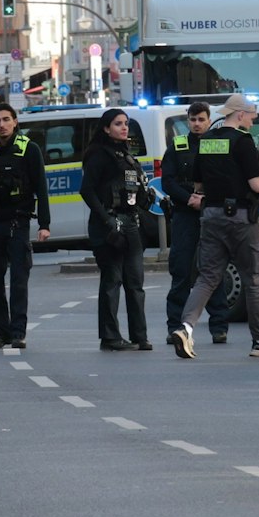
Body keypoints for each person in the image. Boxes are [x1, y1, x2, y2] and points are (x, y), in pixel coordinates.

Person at [169, 93, 259, 359]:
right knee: (255, 277)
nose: (254, 118)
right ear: (240, 114)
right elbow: (257, 185)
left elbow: (198, 184)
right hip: (240, 217)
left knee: (207, 277)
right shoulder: (243, 141)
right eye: (252, 114)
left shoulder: (207, 140)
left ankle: (186, 329)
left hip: (211, 214)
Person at [162, 102, 234, 348]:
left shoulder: (218, 143)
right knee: (181, 271)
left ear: (209, 119)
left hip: (211, 213)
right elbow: (168, 181)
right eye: (193, 119)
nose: (197, 124)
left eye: (201, 119)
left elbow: (226, 178)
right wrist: (188, 198)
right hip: (184, 215)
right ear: (188, 120)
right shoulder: (178, 145)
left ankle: (219, 327)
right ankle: (175, 328)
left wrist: (206, 199)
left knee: (213, 270)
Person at [0, 105, 51, 348]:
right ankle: (1, 332)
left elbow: (41, 188)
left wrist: (44, 224)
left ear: (15, 122)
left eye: (6, 120)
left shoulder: (29, 149)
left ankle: (18, 332)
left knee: (19, 280)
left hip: (19, 222)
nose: (1, 125)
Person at [83, 109, 151, 351]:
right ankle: (110, 337)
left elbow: (133, 190)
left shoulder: (126, 155)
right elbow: (87, 191)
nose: (124, 128)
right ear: (105, 128)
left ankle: (140, 336)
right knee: (112, 281)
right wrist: (107, 220)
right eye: (118, 124)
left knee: (135, 282)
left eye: (126, 124)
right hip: (109, 226)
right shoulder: (98, 155)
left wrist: (147, 197)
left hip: (131, 223)